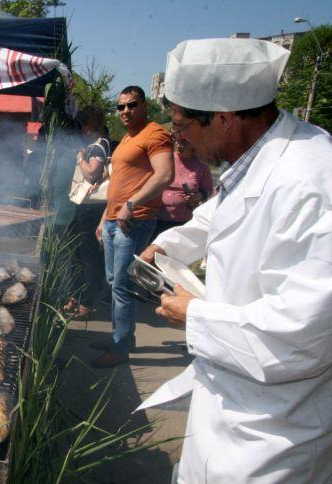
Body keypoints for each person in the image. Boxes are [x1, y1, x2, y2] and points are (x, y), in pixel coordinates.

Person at [139, 38, 332, 483]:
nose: (178, 138)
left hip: (275, 432)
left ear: (224, 118)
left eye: (182, 125)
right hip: (229, 399)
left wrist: (195, 316)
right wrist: (172, 244)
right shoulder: (260, 154)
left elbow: (303, 334)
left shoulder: (312, 181)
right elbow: (223, 212)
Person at [91, 86, 174, 368]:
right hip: (115, 220)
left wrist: (131, 204)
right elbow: (118, 184)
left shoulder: (155, 133)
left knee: (123, 286)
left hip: (134, 221)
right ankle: (121, 337)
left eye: (132, 105)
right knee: (115, 283)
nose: (125, 111)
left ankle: (120, 348)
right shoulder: (127, 138)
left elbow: (165, 175)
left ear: (144, 106)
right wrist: (105, 219)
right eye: (121, 107)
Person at [63, 106, 111, 318]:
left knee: (88, 256)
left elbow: (92, 173)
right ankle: (80, 296)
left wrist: (79, 159)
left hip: (91, 207)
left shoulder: (97, 147)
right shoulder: (100, 145)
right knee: (83, 255)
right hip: (89, 208)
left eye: (83, 126)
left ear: (89, 126)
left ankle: (88, 301)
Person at [152, 138, 213, 239]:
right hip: (157, 218)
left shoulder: (201, 166)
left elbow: (208, 190)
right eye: (177, 141)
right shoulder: (165, 160)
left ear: (194, 145)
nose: (179, 145)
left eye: (184, 142)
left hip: (184, 220)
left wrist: (199, 196)